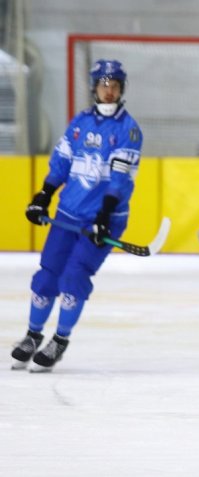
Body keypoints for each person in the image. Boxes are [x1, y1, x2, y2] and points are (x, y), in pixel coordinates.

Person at [11, 59, 143, 372]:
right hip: (68, 213)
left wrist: (104, 215)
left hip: (103, 219)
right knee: (47, 275)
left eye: (114, 86)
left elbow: (119, 179)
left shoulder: (129, 130)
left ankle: (60, 340)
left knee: (74, 276)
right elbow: (61, 162)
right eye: (103, 85)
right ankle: (32, 336)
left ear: (121, 89)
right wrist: (43, 196)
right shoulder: (80, 122)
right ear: (94, 88)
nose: (108, 91)